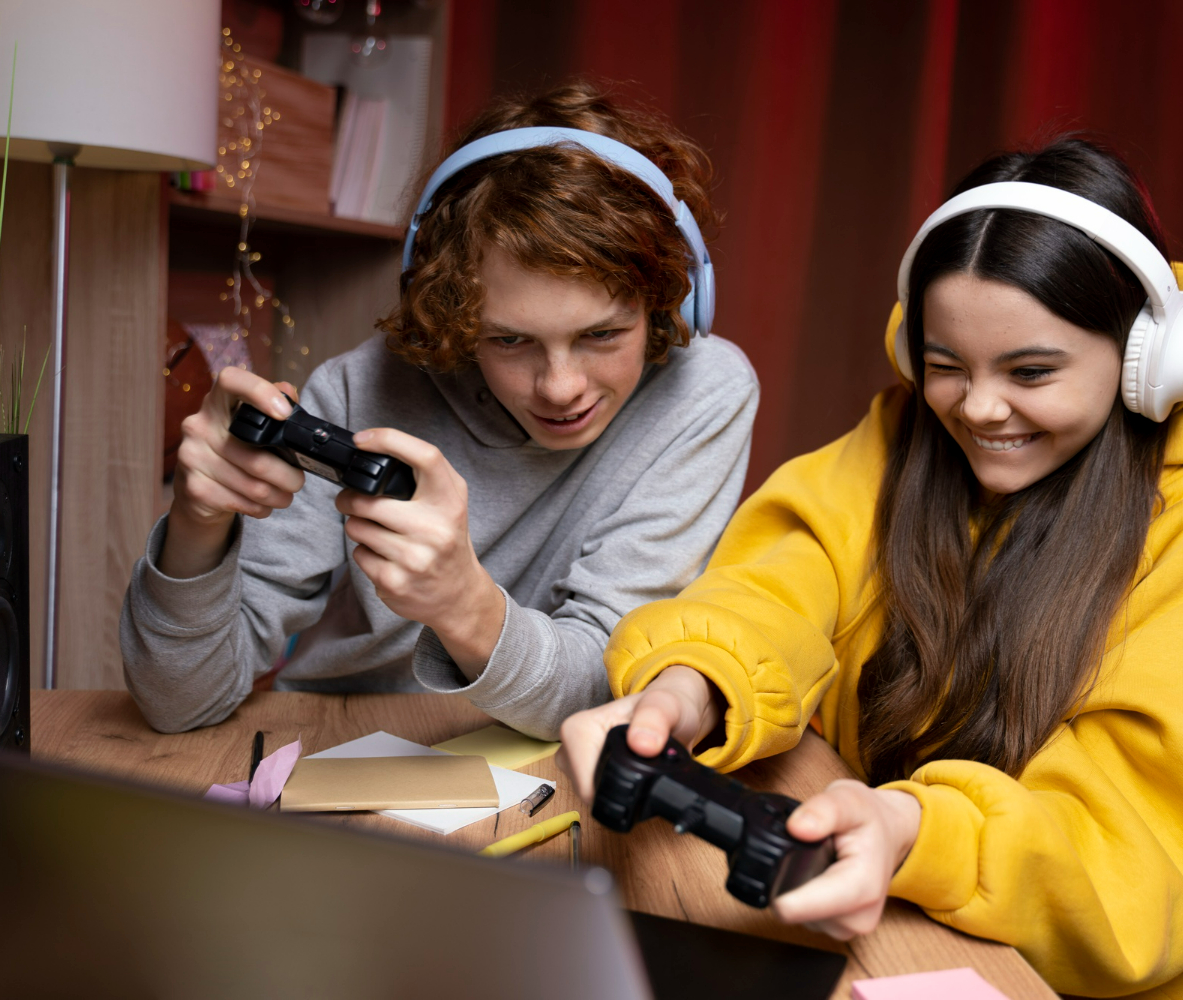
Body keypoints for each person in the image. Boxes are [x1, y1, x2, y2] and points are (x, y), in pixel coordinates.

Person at [559, 137, 1183, 999]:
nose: (978, 408)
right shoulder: (901, 436)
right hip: (906, 922)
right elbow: (777, 583)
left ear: (1147, 363)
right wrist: (688, 686)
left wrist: (910, 828)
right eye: (946, 366)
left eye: (1031, 371)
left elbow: (1134, 855)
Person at [121, 83, 759, 739]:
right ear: (453, 314)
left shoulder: (703, 392)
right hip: (347, 742)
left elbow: (608, 687)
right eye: (510, 340)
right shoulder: (357, 388)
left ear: (670, 304)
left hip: (556, 762)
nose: (562, 387)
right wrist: (197, 527)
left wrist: (464, 606)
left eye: (602, 336)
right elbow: (179, 701)